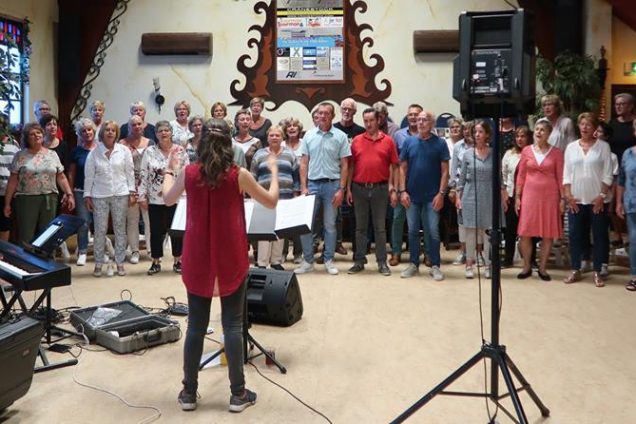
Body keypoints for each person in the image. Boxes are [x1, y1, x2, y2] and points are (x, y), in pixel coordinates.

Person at [162, 118, 279, 413]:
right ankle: (238, 394)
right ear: (228, 143)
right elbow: (272, 201)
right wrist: (274, 172)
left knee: (196, 328)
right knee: (233, 326)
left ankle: (189, 392)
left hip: (198, 257)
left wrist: (169, 168)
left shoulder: (189, 173)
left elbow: (166, 199)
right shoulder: (238, 175)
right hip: (230, 256)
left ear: (200, 142)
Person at [294, 102, 351, 275]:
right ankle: (308, 261)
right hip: (312, 185)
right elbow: (304, 163)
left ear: (333, 116)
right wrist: (303, 187)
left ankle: (328, 260)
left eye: (327, 113)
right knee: (306, 225)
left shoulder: (340, 136)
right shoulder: (309, 136)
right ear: (316, 116)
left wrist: (341, 189)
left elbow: (345, 164)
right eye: (319, 113)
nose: (323, 116)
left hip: (332, 185)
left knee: (330, 225)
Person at [563, 112, 613, 287]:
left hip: (597, 201)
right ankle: (575, 269)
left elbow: (608, 175)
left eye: (588, 125)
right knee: (575, 235)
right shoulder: (571, 147)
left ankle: (598, 271)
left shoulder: (603, 147)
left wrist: (601, 196)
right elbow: (566, 175)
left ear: (594, 128)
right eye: (582, 124)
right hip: (576, 200)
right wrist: (568, 196)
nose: (584, 127)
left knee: (599, 236)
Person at [346, 108, 398, 275]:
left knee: (380, 228)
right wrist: (347, 188)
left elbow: (394, 166)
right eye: (365, 121)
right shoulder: (356, 141)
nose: (368, 124)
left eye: (371, 120)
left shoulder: (388, 141)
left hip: (380, 189)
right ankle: (359, 260)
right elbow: (351, 165)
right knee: (360, 228)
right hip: (359, 188)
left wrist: (392, 187)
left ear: (378, 121)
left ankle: (382, 262)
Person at [4, 123, 75, 246]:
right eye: (32, 134)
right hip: (26, 199)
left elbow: (61, 176)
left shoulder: (52, 155)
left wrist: (69, 194)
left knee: (47, 234)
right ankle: (26, 263)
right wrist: (7, 203)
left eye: (38, 133)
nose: (36, 136)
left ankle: (46, 263)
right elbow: (13, 180)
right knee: (26, 235)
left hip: (49, 198)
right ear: (27, 138)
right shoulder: (20, 156)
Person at [398, 110, 449, 281]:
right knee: (412, 230)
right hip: (412, 196)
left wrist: (441, 194)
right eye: (418, 119)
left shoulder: (440, 143)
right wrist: (402, 191)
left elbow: (445, 171)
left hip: (433, 196)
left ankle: (435, 265)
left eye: (424, 119)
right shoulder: (409, 142)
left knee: (433, 231)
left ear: (432, 123)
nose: (420, 122)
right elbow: (402, 168)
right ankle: (413, 264)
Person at [84, 121, 135, 277]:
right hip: (100, 195)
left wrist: (132, 191)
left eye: (113, 130)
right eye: (107, 130)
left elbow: (130, 172)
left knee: (120, 229)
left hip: (121, 193)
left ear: (117, 133)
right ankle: (99, 263)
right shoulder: (94, 153)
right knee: (99, 230)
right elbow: (89, 176)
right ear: (102, 133)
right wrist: (87, 194)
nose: (110, 132)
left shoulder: (124, 150)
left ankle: (119, 262)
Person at [515, 120, 564, 281]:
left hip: (550, 196)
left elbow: (561, 177)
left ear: (549, 133)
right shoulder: (526, 151)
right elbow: (521, 176)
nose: (539, 132)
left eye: (543, 130)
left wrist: (562, 198)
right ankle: (527, 266)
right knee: (525, 232)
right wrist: (517, 197)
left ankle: (542, 268)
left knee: (548, 233)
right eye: (536, 129)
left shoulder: (556, 153)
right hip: (529, 195)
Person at [139, 120, 189, 275]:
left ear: (171, 132)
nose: (164, 133)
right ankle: (155, 261)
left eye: (166, 130)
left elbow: (188, 174)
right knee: (155, 231)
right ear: (156, 134)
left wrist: (188, 196)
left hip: (178, 198)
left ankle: (178, 260)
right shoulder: (149, 152)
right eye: (160, 130)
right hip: (155, 198)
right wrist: (142, 196)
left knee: (176, 230)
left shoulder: (180, 151)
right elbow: (143, 174)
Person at [250, 125, 299, 269]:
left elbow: (296, 177)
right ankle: (262, 262)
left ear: (282, 137)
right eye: (271, 135)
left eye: (277, 135)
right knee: (264, 230)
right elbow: (252, 176)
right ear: (267, 137)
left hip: (285, 197)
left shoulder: (290, 154)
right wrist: (253, 194)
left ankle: (276, 261)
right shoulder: (259, 154)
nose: (274, 138)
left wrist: (296, 195)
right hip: (263, 198)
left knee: (279, 231)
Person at [455, 120, 496, 279]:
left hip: (488, 194)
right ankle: (469, 264)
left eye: (480, 132)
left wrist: (503, 194)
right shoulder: (467, 154)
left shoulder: (493, 153)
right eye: (475, 132)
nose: (477, 135)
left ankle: (488, 264)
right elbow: (462, 179)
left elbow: (498, 177)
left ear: (486, 134)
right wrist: (458, 196)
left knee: (487, 231)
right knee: (470, 231)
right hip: (470, 195)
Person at [390, 104, 423, 266]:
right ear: (407, 116)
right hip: (401, 183)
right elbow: (394, 164)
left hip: (419, 185)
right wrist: (394, 188)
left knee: (417, 222)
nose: (413, 117)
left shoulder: (426, 136)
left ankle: (419, 254)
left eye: (416, 114)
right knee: (397, 219)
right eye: (410, 114)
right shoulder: (398, 135)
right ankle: (396, 252)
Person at [120, 115, 152, 263]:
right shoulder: (122, 144)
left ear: (143, 125)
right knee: (132, 221)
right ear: (129, 127)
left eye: (139, 124)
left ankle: (152, 249)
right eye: (133, 124)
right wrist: (130, 190)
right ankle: (134, 251)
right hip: (130, 187)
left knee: (149, 220)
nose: (137, 127)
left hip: (148, 186)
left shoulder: (151, 143)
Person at [69, 118, 99, 265]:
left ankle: (100, 252)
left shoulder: (101, 149)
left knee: (100, 223)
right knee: (84, 222)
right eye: (83, 131)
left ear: (93, 131)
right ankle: (82, 252)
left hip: (100, 192)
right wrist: (70, 194)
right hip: (81, 191)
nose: (87, 133)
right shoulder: (76, 152)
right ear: (79, 134)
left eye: (89, 129)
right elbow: (71, 174)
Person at [501, 126, 531, 267]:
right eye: (517, 136)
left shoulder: (532, 153)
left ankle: (530, 260)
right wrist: (505, 192)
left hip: (530, 196)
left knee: (529, 230)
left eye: (523, 136)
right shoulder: (509, 154)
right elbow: (504, 174)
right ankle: (508, 258)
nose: (520, 139)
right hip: (512, 195)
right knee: (510, 229)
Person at [280, 117, 304, 263]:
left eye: (295, 126)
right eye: (289, 126)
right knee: (282, 223)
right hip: (283, 189)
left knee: (297, 222)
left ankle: (298, 253)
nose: (292, 128)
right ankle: (282, 253)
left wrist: (299, 190)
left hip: (301, 187)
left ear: (299, 129)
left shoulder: (304, 144)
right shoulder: (281, 144)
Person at [616, 119, 636, 291]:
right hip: (632, 203)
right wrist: (618, 202)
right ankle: (634, 276)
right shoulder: (628, 153)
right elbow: (621, 180)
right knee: (634, 240)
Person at [0, 115, 20, 241]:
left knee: (4, 223)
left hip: (7, 191)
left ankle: (1, 255)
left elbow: (18, 167)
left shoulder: (13, 143)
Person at [609, 93, 636, 163]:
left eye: (622, 104)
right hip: (614, 164)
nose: (618, 107)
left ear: (631, 106)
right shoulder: (611, 123)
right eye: (616, 104)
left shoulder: (635, 123)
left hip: (631, 165)